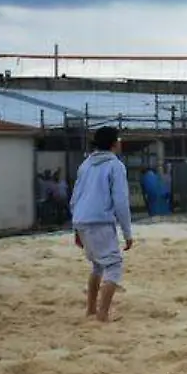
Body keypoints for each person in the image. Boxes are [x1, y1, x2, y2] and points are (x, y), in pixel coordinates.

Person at [70, 126, 134, 323]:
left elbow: (75, 198)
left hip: (81, 219)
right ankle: (102, 314)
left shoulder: (85, 164)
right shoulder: (115, 166)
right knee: (113, 266)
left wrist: (76, 228)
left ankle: (91, 310)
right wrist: (127, 232)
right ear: (114, 143)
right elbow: (121, 202)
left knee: (97, 265)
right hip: (99, 220)